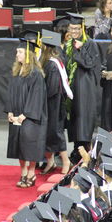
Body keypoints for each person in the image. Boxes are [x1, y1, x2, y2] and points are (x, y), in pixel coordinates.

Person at [6, 39, 47, 188]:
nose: (17, 54)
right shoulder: (16, 72)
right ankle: (23, 172)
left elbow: (37, 97)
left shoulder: (36, 74)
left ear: (29, 54)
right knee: (18, 145)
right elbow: (10, 93)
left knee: (30, 145)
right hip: (17, 115)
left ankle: (31, 173)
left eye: (20, 52)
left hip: (31, 117)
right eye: (17, 52)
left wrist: (26, 114)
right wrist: (10, 110)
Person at [64, 12, 101, 163]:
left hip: (85, 88)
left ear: (82, 28)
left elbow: (89, 64)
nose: (74, 32)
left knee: (83, 119)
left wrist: (80, 49)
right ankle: (76, 149)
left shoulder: (90, 43)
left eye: (77, 29)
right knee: (74, 119)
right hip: (72, 88)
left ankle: (85, 150)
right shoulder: (68, 44)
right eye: (72, 28)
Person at [39, 30, 72, 175]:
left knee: (56, 132)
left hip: (54, 104)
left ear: (45, 46)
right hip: (49, 103)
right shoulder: (48, 61)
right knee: (47, 133)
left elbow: (52, 89)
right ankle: (51, 161)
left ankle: (66, 162)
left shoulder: (52, 64)